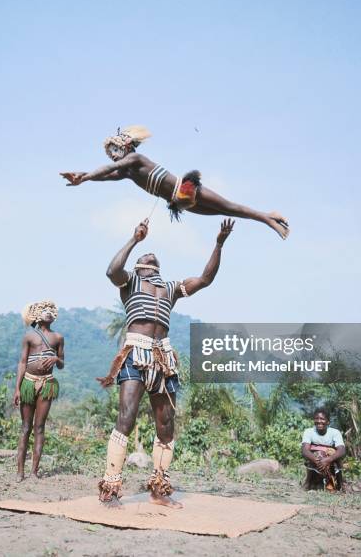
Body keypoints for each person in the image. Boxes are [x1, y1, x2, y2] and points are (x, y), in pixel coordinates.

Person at [96, 217, 234, 508]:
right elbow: (111, 270)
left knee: (166, 424)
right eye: (144, 255)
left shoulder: (170, 289)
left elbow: (205, 279)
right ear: (139, 265)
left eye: (151, 254)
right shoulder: (130, 282)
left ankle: (159, 489)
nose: (149, 254)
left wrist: (219, 243)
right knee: (126, 417)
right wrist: (135, 239)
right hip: (136, 352)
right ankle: (110, 489)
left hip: (163, 357)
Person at [60, 125, 288, 238]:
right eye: (111, 152)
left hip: (185, 188)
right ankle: (269, 216)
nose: (113, 156)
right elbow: (106, 174)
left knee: (231, 207)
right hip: (178, 201)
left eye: (115, 150)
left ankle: (269, 219)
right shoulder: (128, 172)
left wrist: (86, 176)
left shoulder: (134, 158)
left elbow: (110, 168)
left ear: (126, 146)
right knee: (223, 212)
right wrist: (84, 178)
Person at [13, 300, 65, 482]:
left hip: (47, 383)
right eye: (44, 310)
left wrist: (55, 360)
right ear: (36, 315)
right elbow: (22, 362)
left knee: (40, 427)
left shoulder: (58, 338)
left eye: (51, 310)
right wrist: (17, 389)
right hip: (28, 382)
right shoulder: (29, 336)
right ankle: (20, 471)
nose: (48, 312)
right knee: (26, 427)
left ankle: (34, 472)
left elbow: (62, 364)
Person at [301, 408, 345, 491]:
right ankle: (308, 482)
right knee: (318, 453)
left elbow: (342, 450)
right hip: (315, 460)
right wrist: (317, 460)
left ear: (328, 422)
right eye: (316, 418)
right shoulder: (309, 432)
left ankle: (340, 483)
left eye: (322, 419)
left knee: (334, 453)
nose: (319, 421)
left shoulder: (335, 432)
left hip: (330, 461)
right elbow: (305, 450)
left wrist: (328, 460)